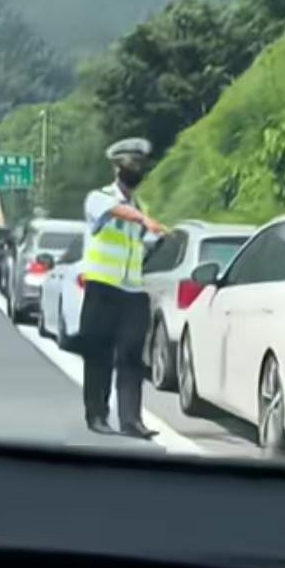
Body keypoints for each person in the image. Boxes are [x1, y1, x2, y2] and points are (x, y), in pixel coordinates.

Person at [79, 138, 167, 438]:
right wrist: (144, 219)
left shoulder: (142, 207)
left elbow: (143, 244)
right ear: (118, 167)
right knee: (99, 355)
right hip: (103, 288)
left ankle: (131, 421)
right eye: (131, 165)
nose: (137, 171)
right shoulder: (99, 197)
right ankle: (97, 416)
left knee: (131, 358)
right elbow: (119, 212)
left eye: (140, 166)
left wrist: (163, 239)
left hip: (132, 292)